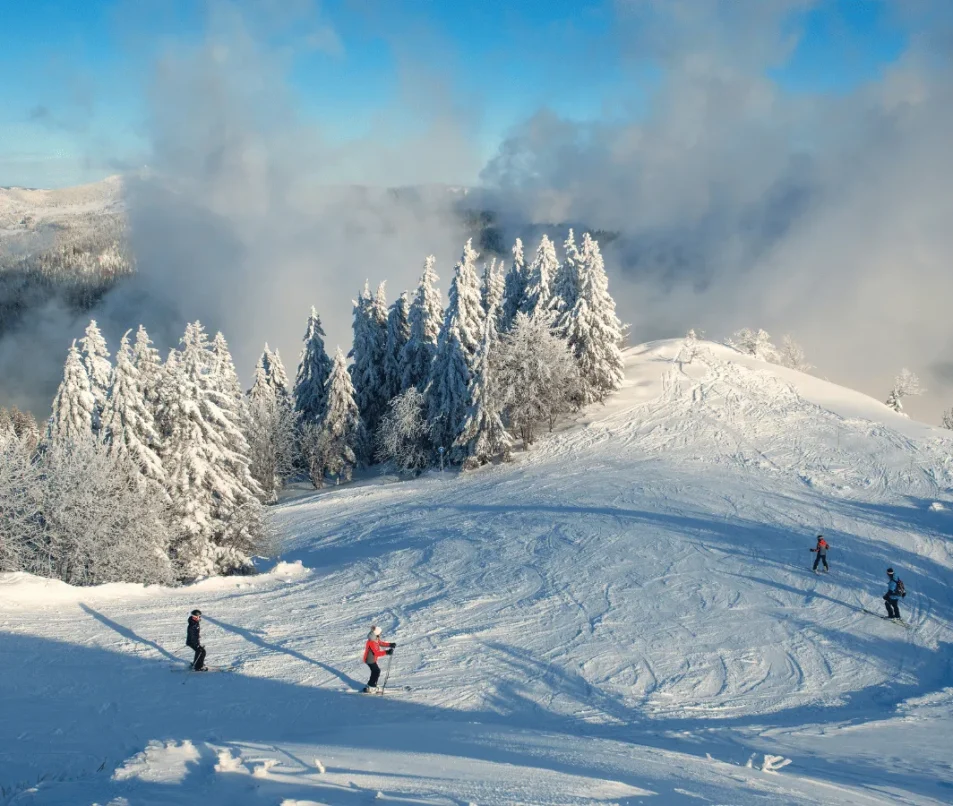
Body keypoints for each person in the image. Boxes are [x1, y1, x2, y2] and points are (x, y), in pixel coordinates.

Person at [362, 625, 395, 693]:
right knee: (376, 671)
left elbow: (380, 643)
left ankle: (370, 685)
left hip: (371, 659)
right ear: (376, 633)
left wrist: (390, 644)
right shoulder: (372, 642)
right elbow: (376, 653)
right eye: (380, 633)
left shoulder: (374, 638)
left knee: (375, 671)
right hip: (370, 660)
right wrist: (387, 652)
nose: (380, 634)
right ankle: (372, 686)